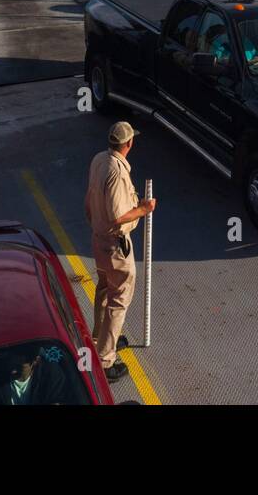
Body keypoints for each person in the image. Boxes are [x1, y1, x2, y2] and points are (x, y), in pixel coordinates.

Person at [84, 121, 157, 383]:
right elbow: (117, 216)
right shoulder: (116, 171)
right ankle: (105, 359)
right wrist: (144, 209)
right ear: (129, 144)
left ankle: (100, 338)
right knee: (119, 299)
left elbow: (89, 200)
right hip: (115, 245)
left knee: (104, 287)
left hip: (98, 239)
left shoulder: (98, 160)